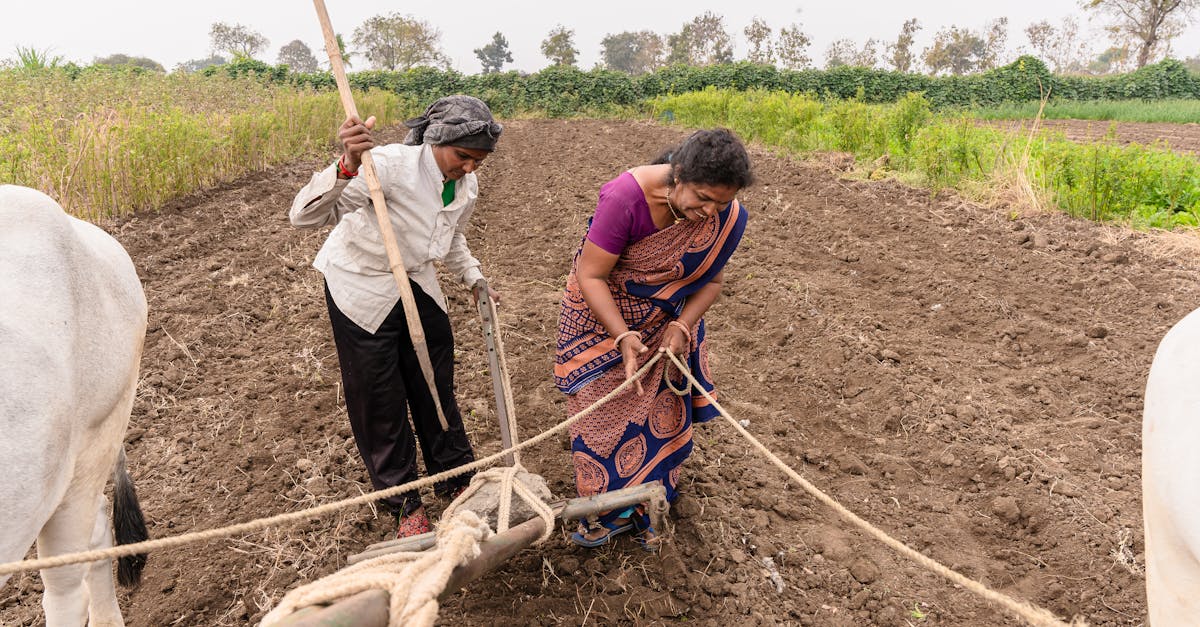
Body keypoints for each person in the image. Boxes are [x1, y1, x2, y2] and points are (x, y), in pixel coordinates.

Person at [290, 95, 502, 539]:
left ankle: (455, 476)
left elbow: (453, 236)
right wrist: (347, 162)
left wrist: (473, 277)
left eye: (478, 161)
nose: (469, 168)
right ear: (438, 140)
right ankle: (403, 499)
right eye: (463, 156)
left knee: (435, 384)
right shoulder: (385, 165)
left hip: (417, 280)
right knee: (379, 398)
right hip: (362, 285)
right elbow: (304, 216)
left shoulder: (467, 186)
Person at [554, 128, 753, 550]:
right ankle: (605, 512)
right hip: (600, 317)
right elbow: (592, 275)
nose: (711, 211)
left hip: (666, 325)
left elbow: (712, 281)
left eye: (722, 201)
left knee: (658, 412)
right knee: (599, 415)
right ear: (677, 176)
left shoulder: (726, 218)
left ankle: (650, 503)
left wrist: (683, 327)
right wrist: (622, 335)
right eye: (702, 197)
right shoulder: (625, 198)